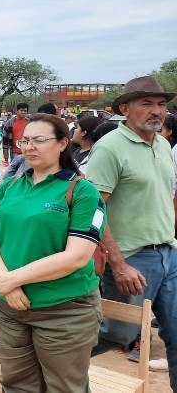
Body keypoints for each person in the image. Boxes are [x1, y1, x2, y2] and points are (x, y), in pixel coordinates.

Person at [0, 113, 106, 392]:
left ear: (62, 143)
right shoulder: (11, 185)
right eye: (25, 141)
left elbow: (76, 256)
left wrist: (12, 279)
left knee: (64, 386)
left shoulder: (82, 191)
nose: (29, 147)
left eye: (39, 140)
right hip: (11, 306)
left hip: (64, 311)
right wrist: (7, 283)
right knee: (16, 383)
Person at [86, 76, 177, 390]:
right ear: (124, 108)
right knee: (117, 335)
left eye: (161, 104)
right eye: (146, 104)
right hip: (132, 259)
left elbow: (163, 197)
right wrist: (119, 264)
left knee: (176, 333)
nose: (157, 111)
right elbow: (94, 210)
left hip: (168, 254)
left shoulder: (162, 145)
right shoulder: (110, 148)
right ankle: (49, 362)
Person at [1, 103, 29, 167]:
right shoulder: (9, 123)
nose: (23, 112)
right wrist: (6, 158)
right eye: (21, 110)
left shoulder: (29, 122)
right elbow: (5, 140)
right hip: (14, 152)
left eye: (25, 111)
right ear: (17, 111)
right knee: (15, 171)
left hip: (27, 152)